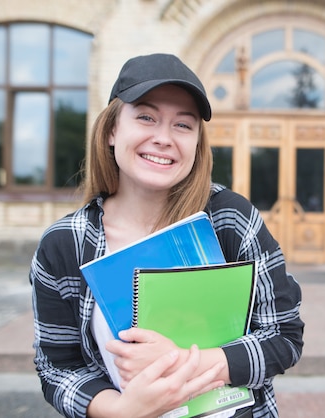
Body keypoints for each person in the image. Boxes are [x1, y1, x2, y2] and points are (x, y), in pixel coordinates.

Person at [30, 53, 304, 418]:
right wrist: (122, 410)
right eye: (146, 117)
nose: (163, 138)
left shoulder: (230, 219)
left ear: (196, 142)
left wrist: (184, 362)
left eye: (183, 125)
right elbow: (57, 367)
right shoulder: (65, 243)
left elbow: (284, 336)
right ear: (112, 130)